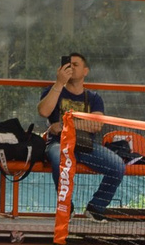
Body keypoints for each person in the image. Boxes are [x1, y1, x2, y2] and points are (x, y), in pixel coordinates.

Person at [40, 52, 125, 221]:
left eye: (76, 64)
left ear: (85, 71)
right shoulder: (52, 91)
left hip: (86, 145)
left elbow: (96, 125)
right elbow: (44, 111)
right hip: (59, 143)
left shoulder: (94, 98)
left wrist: (64, 125)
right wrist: (59, 83)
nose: (71, 67)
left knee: (117, 166)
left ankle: (96, 207)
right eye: (68, 64)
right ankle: (66, 206)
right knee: (59, 158)